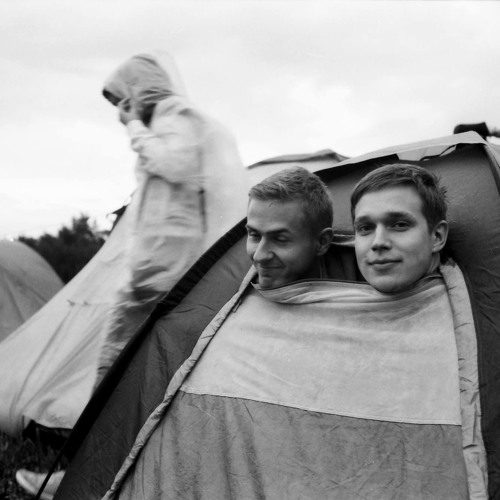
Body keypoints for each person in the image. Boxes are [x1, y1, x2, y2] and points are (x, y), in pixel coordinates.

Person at [16, 49, 248, 500]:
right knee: (122, 381)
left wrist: (137, 127)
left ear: (139, 89)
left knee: (121, 383)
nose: (121, 112)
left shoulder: (173, 115)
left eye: (123, 100)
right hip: (150, 280)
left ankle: (90, 478)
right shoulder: (166, 119)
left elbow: (175, 165)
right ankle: (102, 473)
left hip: (162, 281)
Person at [350, 163, 448, 293]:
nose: (378, 242)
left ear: (437, 236)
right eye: (365, 228)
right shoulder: (329, 300)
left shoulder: (469, 302)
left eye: (400, 225)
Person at [246, 166, 334, 289]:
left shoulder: (359, 281)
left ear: (321, 242)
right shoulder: (233, 293)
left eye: (280, 239)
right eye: (254, 235)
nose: (259, 256)